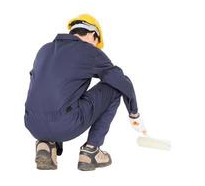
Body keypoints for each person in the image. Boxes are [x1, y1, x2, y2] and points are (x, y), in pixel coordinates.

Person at [24, 14, 146, 171]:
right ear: (92, 34)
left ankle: (46, 145)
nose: (95, 47)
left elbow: (45, 89)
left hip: (33, 124)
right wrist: (133, 113)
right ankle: (91, 151)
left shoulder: (44, 50)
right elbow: (121, 81)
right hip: (64, 125)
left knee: (58, 93)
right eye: (96, 42)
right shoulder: (89, 51)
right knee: (115, 87)